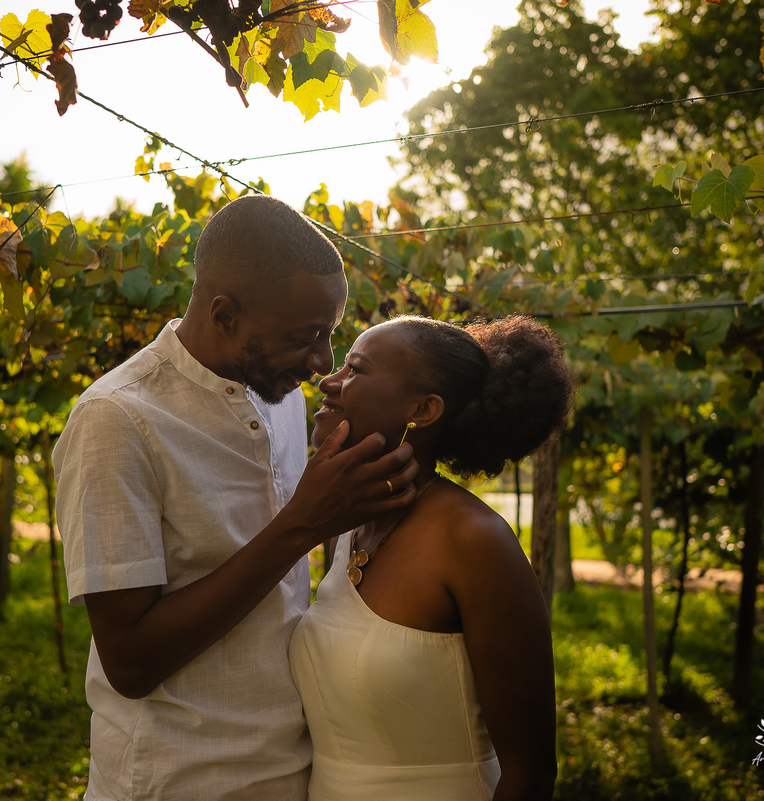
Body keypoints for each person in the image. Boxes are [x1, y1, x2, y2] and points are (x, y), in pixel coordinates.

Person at [52, 194, 419, 801]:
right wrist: (300, 526)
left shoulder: (284, 398)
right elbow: (131, 663)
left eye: (329, 335)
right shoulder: (116, 420)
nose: (322, 363)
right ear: (224, 315)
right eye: (305, 337)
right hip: (178, 781)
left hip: (296, 773)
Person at [290, 314, 572, 801]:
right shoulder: (348, 527)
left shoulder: (474, 541)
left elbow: (531, 774)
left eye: (355, 369)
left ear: (423, 409)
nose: (329, 380)